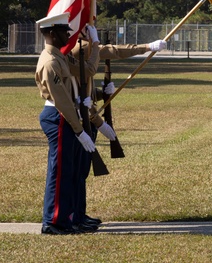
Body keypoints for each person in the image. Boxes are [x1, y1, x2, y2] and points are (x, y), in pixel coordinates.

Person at [69, 25, 166, 232]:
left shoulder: (83, 47)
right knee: (77, 171)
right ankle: (73, 216)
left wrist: (101, 93)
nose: (90, 29)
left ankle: (79, 214)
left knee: (82, 171)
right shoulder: (80, 48)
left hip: (86, 113)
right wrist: (147, 47)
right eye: (86, 26)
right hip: (81, 118)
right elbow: (113, 51)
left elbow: (84, 88)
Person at [34, 13, 97, 235]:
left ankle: (68, 218)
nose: (67, 36)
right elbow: (61, 100)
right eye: (63, 32)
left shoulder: (59, 57)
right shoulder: (50, 62)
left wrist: (95, 43)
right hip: (59, 116)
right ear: (52, 33)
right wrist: (80, 130)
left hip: (65, 115)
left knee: (68, 171)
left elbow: (86, 71)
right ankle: (53, 221)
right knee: (59, 172)